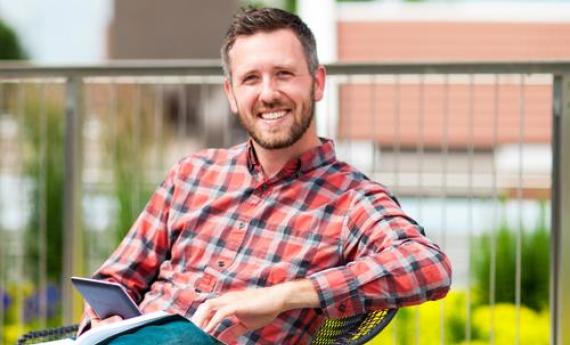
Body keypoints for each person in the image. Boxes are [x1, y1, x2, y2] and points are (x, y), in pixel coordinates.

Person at [79, 7, 452, 344]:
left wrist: (283, 295)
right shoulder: (192, 173)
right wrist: (99, 322)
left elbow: (427, 265)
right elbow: (115, 277)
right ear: (231, 93)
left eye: (284, 74)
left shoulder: (350, 197)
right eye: (251, 79)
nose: (268, 93)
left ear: (317, 83)